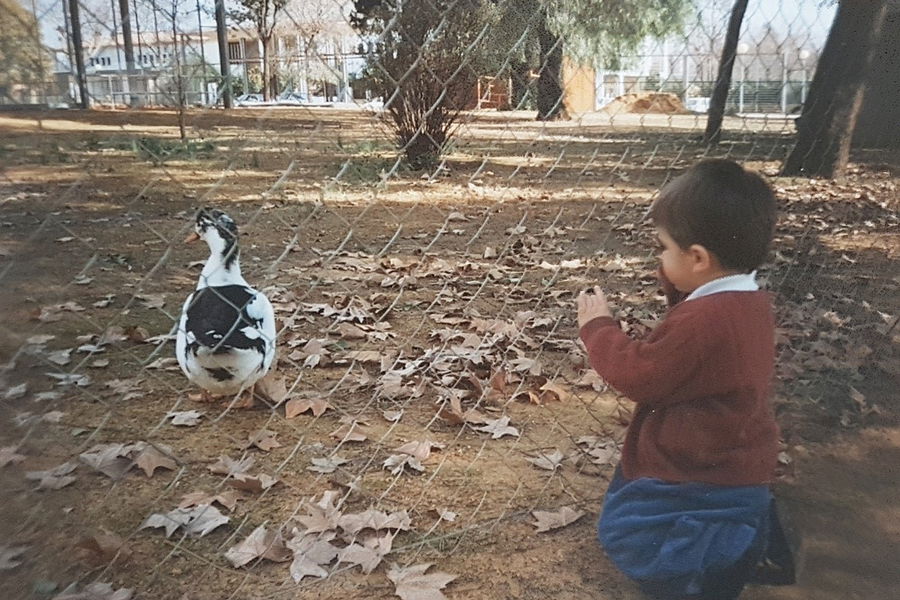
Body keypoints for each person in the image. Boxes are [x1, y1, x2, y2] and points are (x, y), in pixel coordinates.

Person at [576, 159, 796, 599]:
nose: (659, 257)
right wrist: (675, 277)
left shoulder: (705, 321)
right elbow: (694, 306)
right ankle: (743, 542)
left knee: (638, 535)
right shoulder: (747, 299)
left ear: (698, 258)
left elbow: (641, 374)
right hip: (733, 452)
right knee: (720, 516)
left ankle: (703, 570)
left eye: (663, 248)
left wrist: (599, 329)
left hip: (691, 468)